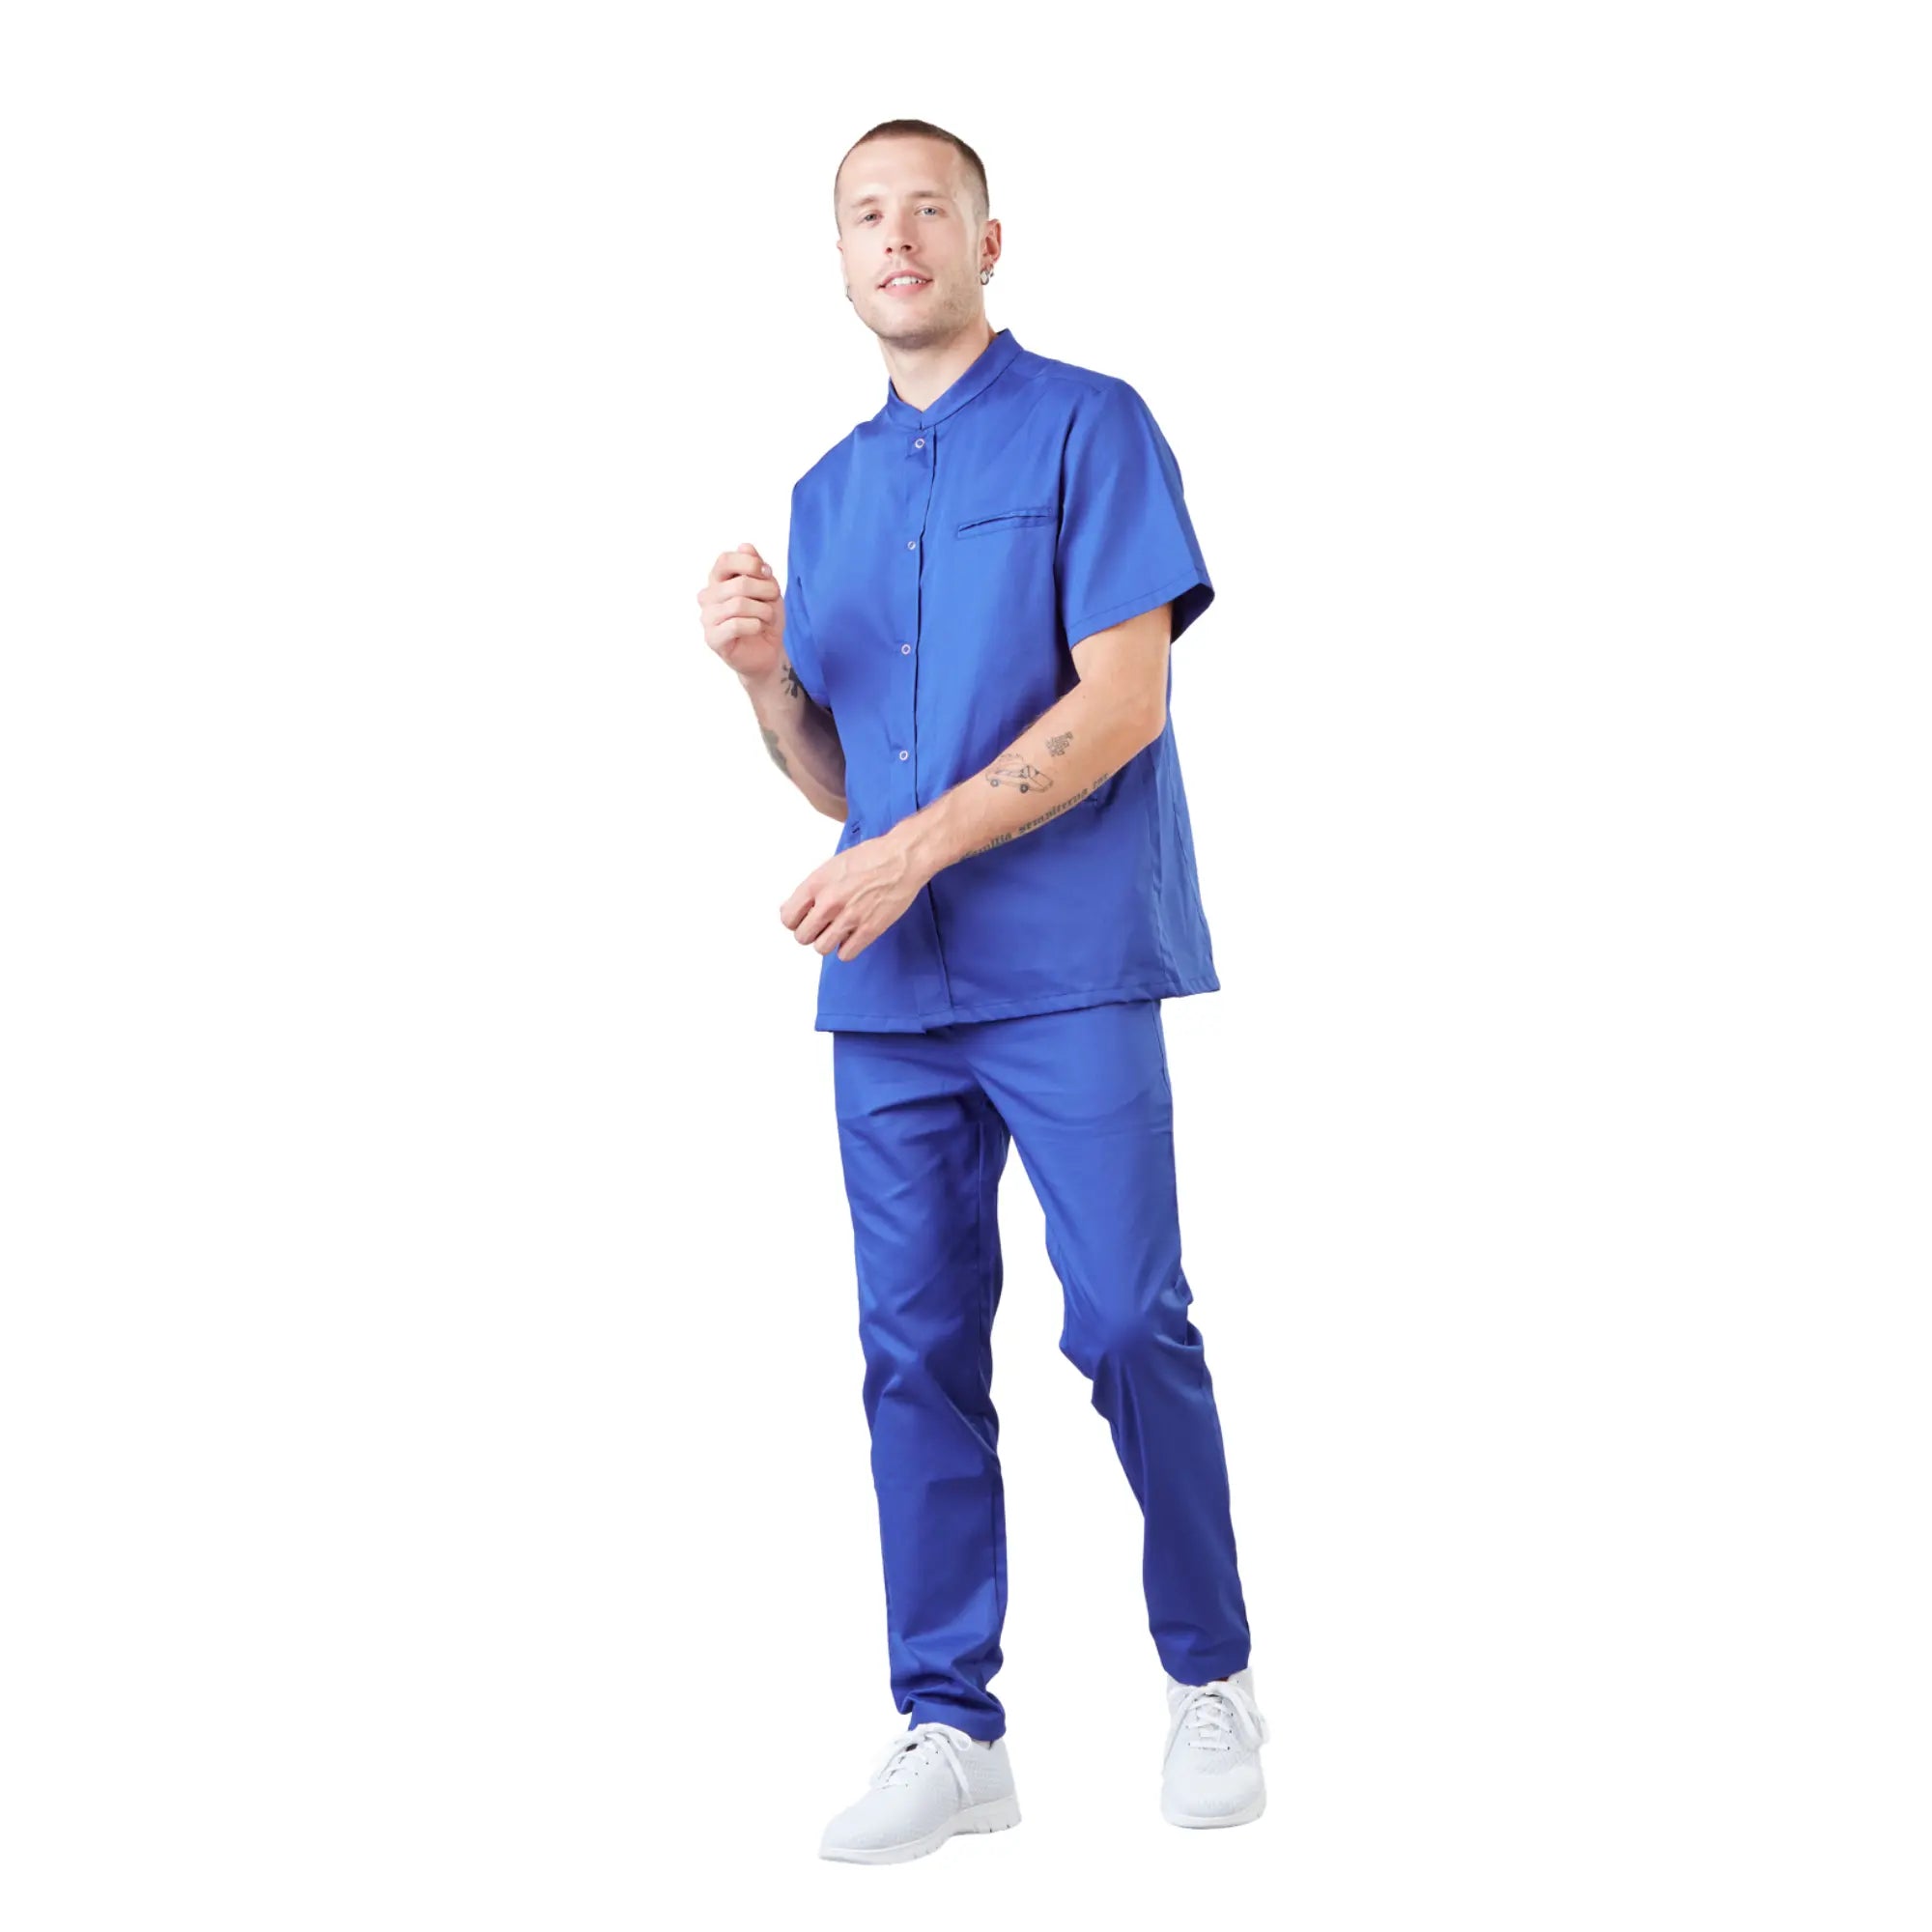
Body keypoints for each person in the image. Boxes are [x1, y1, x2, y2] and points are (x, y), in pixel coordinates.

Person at [697, 119, 1268, 1865]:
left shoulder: (1094, 425)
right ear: (838, 258)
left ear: (987, 241)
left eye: (927, 209)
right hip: (892, 996)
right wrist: (760, 681)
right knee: (913, 1351)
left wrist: (911, 851)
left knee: (1127, 1318)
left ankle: (1210, 1674)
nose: (897, 237)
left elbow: (1125, 704)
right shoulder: (825, 494)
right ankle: (952, 1728)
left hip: (1068, 963)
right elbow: (838, 777)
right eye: (865, 215)